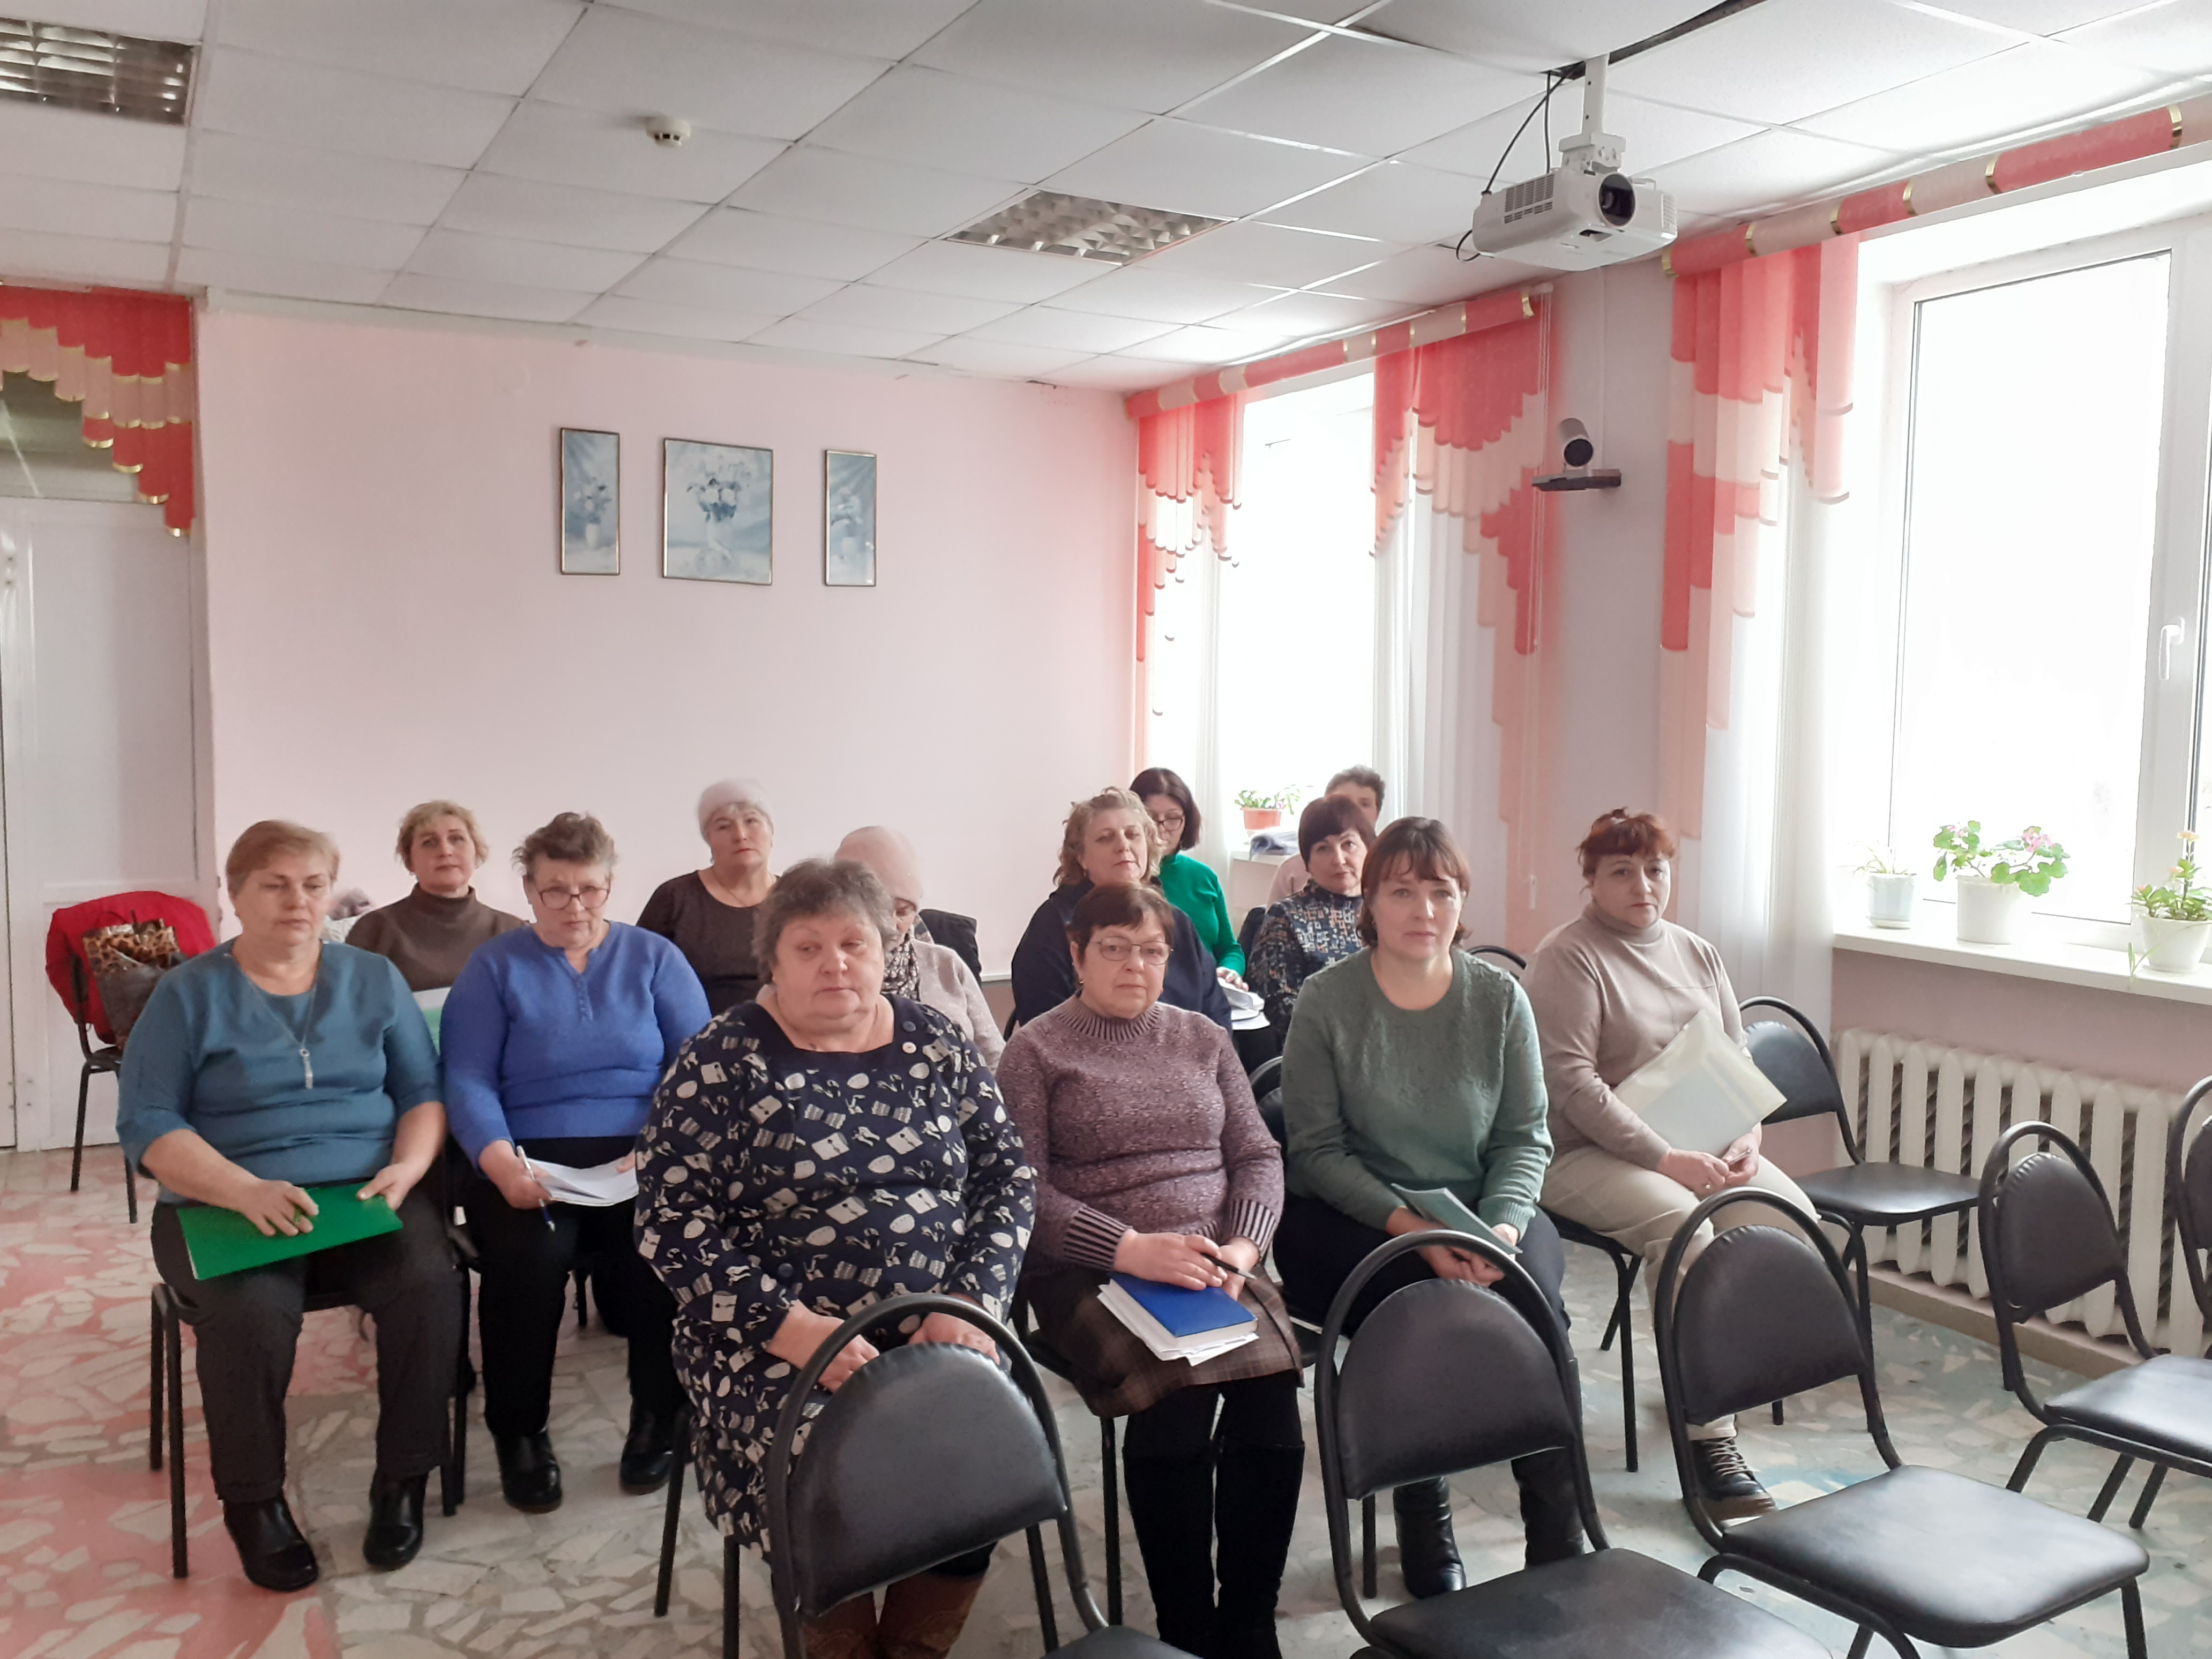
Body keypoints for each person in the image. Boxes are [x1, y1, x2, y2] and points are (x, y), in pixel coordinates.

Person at [635, 858, 1033, 1659]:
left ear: (886, 951)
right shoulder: (722, 1059)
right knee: (836, 1470)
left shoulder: (936, 1041)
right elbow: (670, 1223)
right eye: (808, 947)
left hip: (940, 1325)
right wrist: (790, 1329)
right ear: (772, 962)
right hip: (772, 1343)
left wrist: (972, 1303)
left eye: (854, 944)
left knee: (978, 1442)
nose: (835, 964)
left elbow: (1007, 1178)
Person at [119, 821, 458, 1589]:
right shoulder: (187, 994)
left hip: (362, 1196)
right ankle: (255, 1504)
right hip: (225, 1201)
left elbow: (421, 1089)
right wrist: (240, 1189)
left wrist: (408, 1168)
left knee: (428, 1286)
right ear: (236, 896)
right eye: (275, 885)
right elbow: (147, 1122)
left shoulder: (373, 978)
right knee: (251, 1316)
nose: (298, 901)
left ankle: (403, 1480)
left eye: (312, 884)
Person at [1271, 817, 1580, 1594]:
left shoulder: (1499, 998)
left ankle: (1559, 1534)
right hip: (1354, 1216)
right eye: (1402, 891)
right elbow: (1317, 1153)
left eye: (1441, 892)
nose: (1424, 909)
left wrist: (1500, 1228)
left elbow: (1525, 1138)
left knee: (1536, 1303)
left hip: (1485, 1207)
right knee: (1420, 1302)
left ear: (1462, 902)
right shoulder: (1328, 1001)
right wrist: (1418, 1234)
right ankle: (1423, 1513)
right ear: (1369, 903)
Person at [998, 883, 1301, 1659]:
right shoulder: (1036, 1050)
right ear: (1077, 955)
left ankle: (1251, 1621)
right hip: (1089, 1270)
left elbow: (1257, 1155)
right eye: (1115, 948)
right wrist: (1128, 1248)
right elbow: (1021, 1191)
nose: (1136, 965)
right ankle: (1187, 1629)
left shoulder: (1204, 1037)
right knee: (1177, 1396)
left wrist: (1243, 1248)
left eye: (1153, 951)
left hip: (1214, 1262)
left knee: (1272, 1400)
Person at [1522, 808, 1815, 1520]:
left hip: (1700, 1142)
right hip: (1586, 1152)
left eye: (1655, 870)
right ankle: (1708, 1435)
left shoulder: (1697, 952)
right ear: (1591, 879)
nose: (1643, 885)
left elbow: (1736, 1059)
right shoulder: (1569, 956)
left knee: (1794, 1223)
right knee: (1686, 1230)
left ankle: (1714, 1371)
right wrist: (1665, 1158)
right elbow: (1573, 1087)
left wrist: (1749, 1136)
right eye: (1622, 872)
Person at [441, 812, 710, 1513]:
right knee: (527, 1265)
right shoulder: (494, 967)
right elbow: (468, 1078)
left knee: (663, 1255)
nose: (574, 906)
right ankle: (519, 1433)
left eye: (589, 890)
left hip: (643, 1154)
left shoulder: (654, 958)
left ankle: (659, 1417)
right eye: (555, 891)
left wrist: (663, 1149)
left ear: (609, 886)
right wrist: (500, 1164)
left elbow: (696, 1070)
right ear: (529, 891)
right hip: (529, 1158)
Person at [1010, 788, 1231, 1031]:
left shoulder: (1177, 921)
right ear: (1081, 857)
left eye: (1133, 835)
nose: (1123, 846)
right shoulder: (1053, 925)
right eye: (1106, 838)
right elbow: (1046, 1030)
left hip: (1187, 1052)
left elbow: (1216, 1014)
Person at [834, 825, 1003, 1066]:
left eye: (904, 911)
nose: (893, 924)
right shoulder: (832, 971)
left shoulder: (944, 963)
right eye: (879, 910)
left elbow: (997, 1058)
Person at [347, 801, 526, 993]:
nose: (445, 851)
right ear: (409, 861)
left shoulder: (514, 932)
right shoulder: (375, 930)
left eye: (457, 839)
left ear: (477, 852)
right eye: (429, 843)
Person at [638, 778, 775, 1016]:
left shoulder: (796, 898)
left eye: (752, 821)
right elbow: (637, 976)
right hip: (698, 1032)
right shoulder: (674, 898)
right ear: (708, 839)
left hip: (785, 1031)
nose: (741, 835)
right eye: (724, 827)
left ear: (771, 833)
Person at [1246, 794, 1373, 1040]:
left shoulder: (1385, 909)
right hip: (1318, 1046)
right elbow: (1278, 1004)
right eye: (1323, 849)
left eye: (1349, 844)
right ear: (1307, 863)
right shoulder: (1286, 917)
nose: (1339, 859)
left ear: (1369, 849)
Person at [1133, 766, 1245, 981]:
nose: (1161, 829)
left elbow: (1229, 948)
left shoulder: (1204, 876)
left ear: (1186, 821)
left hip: (1210, 988)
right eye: (1151, 818)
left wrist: (1230, 971)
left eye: (1173, 818)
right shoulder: (1126, 875)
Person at [1266, 766, 1385, 903]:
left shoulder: (1390, 865)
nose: (1353, 810)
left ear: (1378, 811)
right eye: (1343, 802)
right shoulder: (1292, 870)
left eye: (1365, 804)